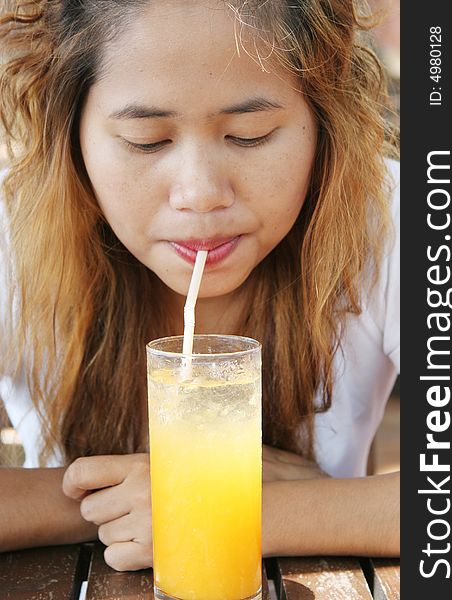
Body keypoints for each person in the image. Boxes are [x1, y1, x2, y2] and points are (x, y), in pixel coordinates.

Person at [0, 0, 399, 571]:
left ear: (323, 114)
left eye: (250, 134)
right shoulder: (13, 234)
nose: (200, 193)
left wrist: (230, 511)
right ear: (72, 134)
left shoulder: (402, 217)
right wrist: (155, 496)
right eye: (146, 140)